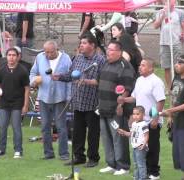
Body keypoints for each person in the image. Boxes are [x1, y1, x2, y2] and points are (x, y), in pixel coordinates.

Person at [52, 33, 105, 167]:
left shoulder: (100, 60)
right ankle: (78, 156)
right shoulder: (77, 59)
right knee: (77, 132)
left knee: (93, 133)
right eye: (80, 43)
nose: (81, 45)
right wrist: (60, 77)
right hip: (77, 101)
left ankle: (93, 159)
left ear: (92, 45)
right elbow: (71, 75)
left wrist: (86, 81)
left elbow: (103, 82)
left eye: (84, 43)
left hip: (93, 103)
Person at [117, 58, 165, 179]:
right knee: (140, 146)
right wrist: (124, 99)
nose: (140, 67)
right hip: (140, 121)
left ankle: (154, 173)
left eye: (143, 65)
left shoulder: (156, 81)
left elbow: (161, 100)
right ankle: (144, 171)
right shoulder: (139, 80)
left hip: (151, 120)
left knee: (152, 146)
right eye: (140, 65)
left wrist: (155, 118)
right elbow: (134, 98)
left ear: (151, 68)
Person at [98, 40, 135, 175]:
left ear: (119, 52)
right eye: (108, 49)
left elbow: (126, 88)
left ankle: (123, 166)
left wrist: (120, 105)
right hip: (103, 107)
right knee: (106, 137)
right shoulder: (106, 63)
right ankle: (111, 163)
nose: (108, 52)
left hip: (116, 110)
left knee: (118, 137)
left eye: (112, 50)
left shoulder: (124, 66)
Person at [29, 41, 72, 160]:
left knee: (61, 127)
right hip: (43, 97)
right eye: (46, 52)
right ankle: (48, 153)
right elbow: (32, 73)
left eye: (50, 52)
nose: (47, 54)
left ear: (56, 49)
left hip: (60, 97)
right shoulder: (39, 57)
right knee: (45, 126)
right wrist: (33, 80)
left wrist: (69, 97)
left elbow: (70, 78)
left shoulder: (66, 59)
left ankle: (64, 154)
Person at [0, 47, 30, 158]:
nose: (11, 57)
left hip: (17, 103)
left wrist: (26, 105)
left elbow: (27, 89)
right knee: (2, 126)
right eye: (9, 55)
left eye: (14, 55)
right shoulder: (1, 70)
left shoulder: (22, 71)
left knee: (16, 127)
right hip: (4, 102)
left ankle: (18, 150)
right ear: (6, 57)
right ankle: (1, 149)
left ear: (18, 57)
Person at [153, 0, 184, 94]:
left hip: (176, 43)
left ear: (174, 2)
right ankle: (169, 89)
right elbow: (155, 26)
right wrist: (163, 15)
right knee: (166, 67)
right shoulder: (160, 13)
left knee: (178, 66)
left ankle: (178, 86)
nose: (166, 2)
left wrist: (183, 35)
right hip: (164, 43)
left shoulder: (180, 13)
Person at [117, 106, 149, 180]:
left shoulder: (144, 124)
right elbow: (131, 134)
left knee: (141, 164)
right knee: (135, 164)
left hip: (140, 147)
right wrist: (124, 132)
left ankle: (142, 178)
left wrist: (144, 144)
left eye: (138, 114)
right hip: (134, 147)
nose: (135, 116)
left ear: (143, 114)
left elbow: (146, 135)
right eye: (134, 114)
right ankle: (136, 177)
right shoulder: (134, 124)